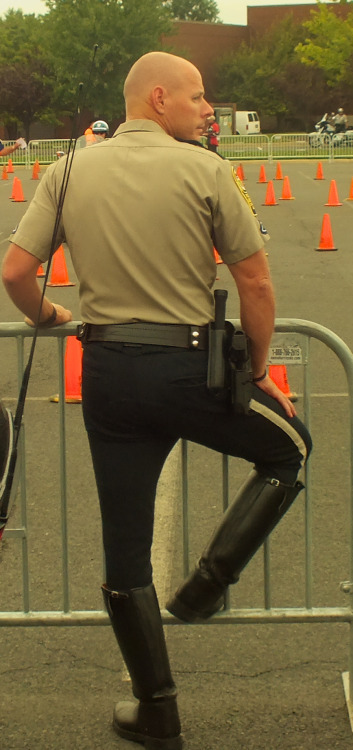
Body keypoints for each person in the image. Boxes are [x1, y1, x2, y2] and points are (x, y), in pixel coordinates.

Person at [2, 51, 312, 749]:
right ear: (159, 98)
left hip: (107, 371)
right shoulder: (205, 170)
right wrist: (258, 365)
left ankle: (158, 709)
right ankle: (205, 586)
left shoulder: (71, 166)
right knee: (287, 451)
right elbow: (255, 284)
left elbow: (16, 270)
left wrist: (49, 316)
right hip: (186, 369)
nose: (208, 110)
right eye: (199, 97)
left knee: (124, 551)